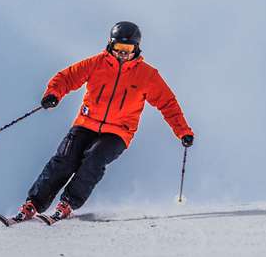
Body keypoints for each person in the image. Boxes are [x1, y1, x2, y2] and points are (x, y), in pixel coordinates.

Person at [11, 21, 195, 223]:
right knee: (64, 159)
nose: (123, 53)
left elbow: (168, 103)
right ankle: (33, 204)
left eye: (128, 49)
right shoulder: (96, 63)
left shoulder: (147, 75)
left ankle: (67, 203)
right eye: (119, 48)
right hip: (86, 123)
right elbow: (67, 77)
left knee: (94, 159)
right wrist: (53, 94)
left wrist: (183, 131)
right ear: (111, 45)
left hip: (118, 132)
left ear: (136, 48)